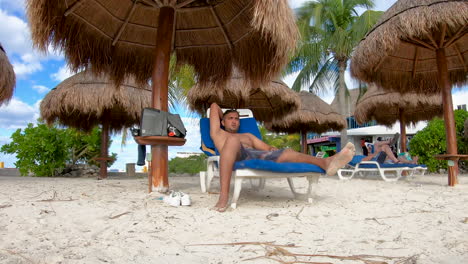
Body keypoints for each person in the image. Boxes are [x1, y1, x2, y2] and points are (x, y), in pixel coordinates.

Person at [209, 103, 355, 212]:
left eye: (236, 118)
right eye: (230, 118)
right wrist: (223, 115)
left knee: (287, 152)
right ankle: (223, 196)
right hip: (234, 156)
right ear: (222, 121)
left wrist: (273, 150)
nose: (234, 121)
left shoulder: (248, 136)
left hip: (253, 155)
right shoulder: (218, 133)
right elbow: (214, 106)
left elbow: (266, 149)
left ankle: (325, 162)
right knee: (233, 140)